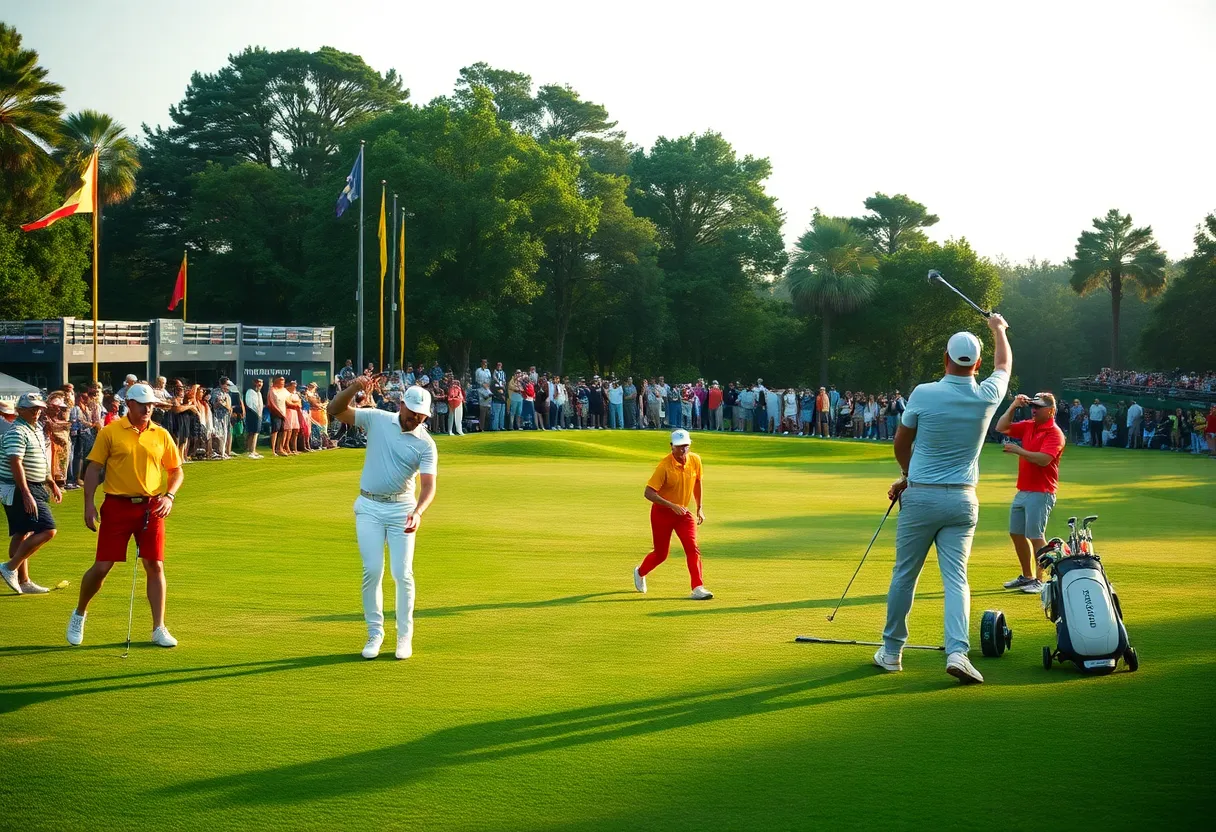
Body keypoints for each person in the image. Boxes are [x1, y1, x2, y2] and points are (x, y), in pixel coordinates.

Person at [875, 314, 1011, 685]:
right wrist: (998, 329)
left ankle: (891, 651)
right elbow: (1004, 364)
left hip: (921, 498)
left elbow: (901, 443)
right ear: (976, 364)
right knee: (956, 579)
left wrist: (907, 475)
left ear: (945, 358)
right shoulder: (987, 395)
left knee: (905, 574)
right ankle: (957, 652)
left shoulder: (924, 392)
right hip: (963, 500)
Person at [328, 377, 437, 660]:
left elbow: (428, 486)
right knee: (372, 570)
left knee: (402, 574)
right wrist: (354, 388)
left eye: (422, 415)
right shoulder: (377, 418)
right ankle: (375, 634)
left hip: (402, 509)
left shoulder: (426, 444)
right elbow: (335, 410)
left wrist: (418, 512)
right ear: (401, 405)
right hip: (369, 506)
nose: (416, 418)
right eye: (413, 412)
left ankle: (404, 636)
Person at [67, 383, 183, 647]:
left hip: (152, 507)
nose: (148, 409)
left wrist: (169, 495)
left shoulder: (161, 434)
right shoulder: (110, 432)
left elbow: (176, 470)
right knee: (102, 566)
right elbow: (94, 468)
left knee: (155, 565)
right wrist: (88, 504)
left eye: (151, 405)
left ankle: (159, 627)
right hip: (117, 506)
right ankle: (79, 613)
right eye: (143, 404)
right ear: (129, 404)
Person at [995, 392, 1065, 594]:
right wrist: (1013, 406)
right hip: (1024, 490)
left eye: (1038, 407)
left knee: (1035, 535)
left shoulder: (1054, 433)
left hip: (1041, 491)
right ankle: (1027, 576)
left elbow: (1044, 459)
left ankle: (1040, 580)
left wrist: (1019, 451)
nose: (1033, 410)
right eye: (1032, 406)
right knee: (1016, 533)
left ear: (1051, 410)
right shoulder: (1029, 425)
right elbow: (1001, 427)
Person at [632, 429, 712, 601]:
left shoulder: (695, 460)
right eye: (679, 447)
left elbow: (697, 482)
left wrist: (699, 507)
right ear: (671, 447)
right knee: (661, 554)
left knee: (692, 548)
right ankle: (640, 572)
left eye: (686, 446)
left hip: (683, 513)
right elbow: (648, 493)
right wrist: (670, 505)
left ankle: (697, 587)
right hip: (661, 513)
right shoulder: (664, 467)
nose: (683, 450)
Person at [0, 393, 63, 595]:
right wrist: (26, 493)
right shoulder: (17, 431)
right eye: (32, 408)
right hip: (20, 488)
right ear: (20, 411)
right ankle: (10, 567)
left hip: (34, 486)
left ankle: (23, 580)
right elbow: (15, 462)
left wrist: (51, 482)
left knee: (22, 533)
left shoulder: (33, 429)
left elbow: (38, 460)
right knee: (48, 529)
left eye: (38, 408)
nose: (37, 412)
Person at [245, 378, 265, 458]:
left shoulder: (259, 393)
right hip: (253, 414)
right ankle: (251, 451)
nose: (260, 384)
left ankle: (252, 450)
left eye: (261, 382)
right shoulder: (250, 391)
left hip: (258, 415)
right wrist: (257, 413)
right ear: (254, 383)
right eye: (258, 382)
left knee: (255, 433)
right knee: (252, 432)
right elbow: (250, 404)